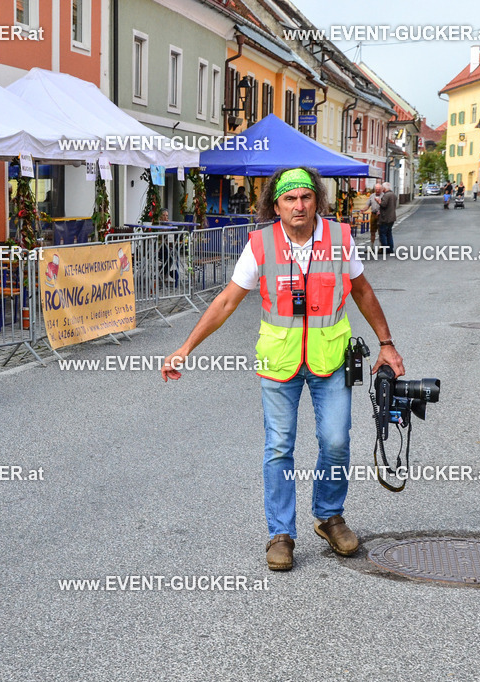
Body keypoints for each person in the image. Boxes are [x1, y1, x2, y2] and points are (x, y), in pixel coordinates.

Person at [161, 167, 404, 572]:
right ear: (276, 206)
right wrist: (186, 347)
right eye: (290, 199)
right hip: (279, 362)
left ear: (317, 201)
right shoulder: (260, 245)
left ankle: (329, 516)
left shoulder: (341, 238)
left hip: (330, 358)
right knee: (279, 447)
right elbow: (226, 302)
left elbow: (361, 290)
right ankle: (281, 534)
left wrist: (386, 343)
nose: (299, 206)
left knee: (336, 440)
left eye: (306, 197)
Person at [379, 181, 397, 252]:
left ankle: (385, 249)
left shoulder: (386, 195)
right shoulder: (393, 194)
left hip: (385, 217)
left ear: (384, 188)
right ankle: (390, 248)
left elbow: (384, 205)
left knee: (383, 233)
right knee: (389, 233)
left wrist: (379, 202)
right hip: (392, 217)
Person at [365, 183, 381, 248]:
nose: (377, 190)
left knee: (380, 231)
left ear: (381, 189)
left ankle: (381, 246)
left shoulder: (383, 196)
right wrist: (364, 209)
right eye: (376, 189)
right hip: (373, 214)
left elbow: (385, 205)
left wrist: (381, 211)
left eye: (379, 189)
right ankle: (371, 246)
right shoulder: (372, 196)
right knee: (372, 231)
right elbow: (368, 204)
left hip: (380, 216)